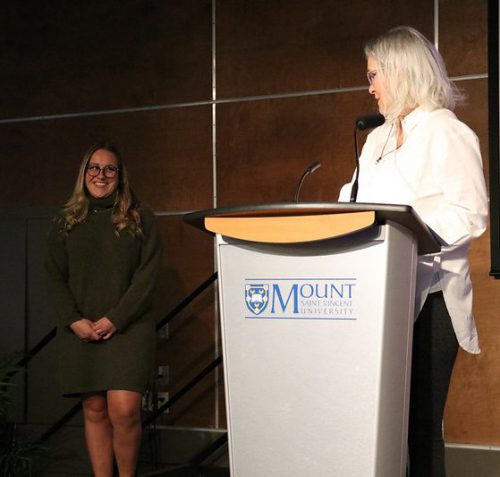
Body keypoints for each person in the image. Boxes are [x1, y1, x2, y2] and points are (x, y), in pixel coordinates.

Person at [338, 26, 488, 476]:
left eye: (373, 75)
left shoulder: (446, 131)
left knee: (420, 424)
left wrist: (412, 236)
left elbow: (472, 213)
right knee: (384, 423)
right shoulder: (377, 139)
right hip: (381, 295)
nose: (370, 87)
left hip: (431, 296)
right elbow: (353, 200)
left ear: (400, 72)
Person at [45, 142, 163, 477]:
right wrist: (72, 320)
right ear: (84, 174)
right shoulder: (65, 221)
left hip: (129, 327)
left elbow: (147, 276)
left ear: (120, 176)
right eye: (94, 168)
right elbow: (54, 277)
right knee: (94, 408)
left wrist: (116, 318)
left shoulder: (140, 217)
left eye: (110, 169)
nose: (101, 175)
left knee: (124, 410)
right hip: (80, 329)